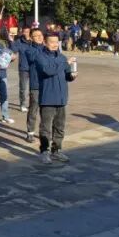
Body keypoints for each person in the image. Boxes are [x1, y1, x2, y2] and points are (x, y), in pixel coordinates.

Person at [34, 31, 78, 164]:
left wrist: (71, 76)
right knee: (46, 127)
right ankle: (44, 151)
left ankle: (56, 150)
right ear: (45, 43)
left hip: (61, 97)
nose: (54, 44)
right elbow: (48, 71)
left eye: (56, 42)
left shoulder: (62, 57)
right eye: (51, 42)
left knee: (59, 126)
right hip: (48, 98)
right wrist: (65, 63)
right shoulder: (40, 57)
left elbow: (66, 75)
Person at [11, 26, 32, 111]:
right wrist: (11, 41)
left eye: (28, 31)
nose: (26, 33)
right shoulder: (19, 41)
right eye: (24, 31)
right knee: (23, 87)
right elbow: (14, 50)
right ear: (22, 32)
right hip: (24, 67)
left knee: (33, 88)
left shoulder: (33, 41)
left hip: (34, 67)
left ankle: (32, 104)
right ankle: (22, 104)